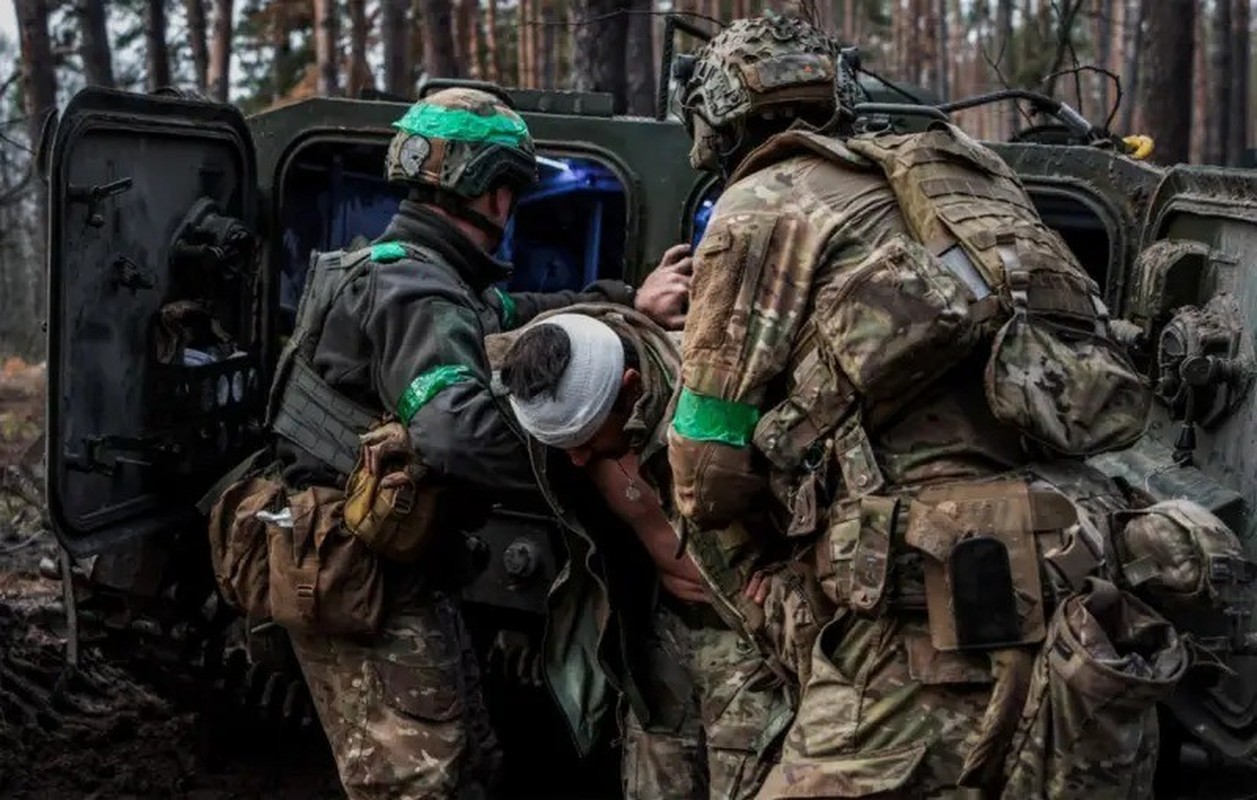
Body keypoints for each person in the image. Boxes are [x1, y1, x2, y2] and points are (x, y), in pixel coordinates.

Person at [667, 13, 1204, 799]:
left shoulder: (759, 203)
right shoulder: (962, 174)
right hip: (1084, 593)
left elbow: (705, 467)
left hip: (926, 616)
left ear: (712, 121)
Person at [246, 87, 691, 799]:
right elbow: (461, 435)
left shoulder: (410, 267)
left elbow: (511, 311)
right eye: (510, 187)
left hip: (386, 553)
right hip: (355, 567)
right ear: (491, 195)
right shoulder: (415, 291)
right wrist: (590, 460)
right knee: (421, 784)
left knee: (469, 759)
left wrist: (621, 299)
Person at [492, 304, 793, 800]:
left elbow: (823, 485)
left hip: (745, 634)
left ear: (632, 388)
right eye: (561, 443)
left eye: (586, 440)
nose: (576, 459)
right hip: (658, 635)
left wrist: (796, 568)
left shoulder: (721, 400)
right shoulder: (557, 379)